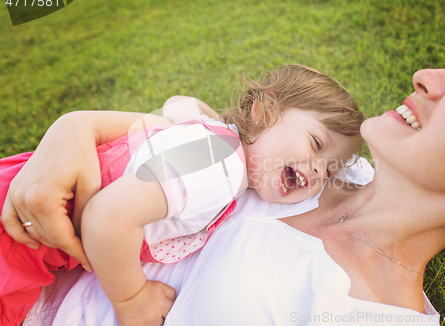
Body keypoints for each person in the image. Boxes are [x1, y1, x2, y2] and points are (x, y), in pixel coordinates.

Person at [6, 53, 445, 326]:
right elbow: (173, 127)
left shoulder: (367, 315)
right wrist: (73, 129)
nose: (427, 76)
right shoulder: (272, 162)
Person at [0, 64, 365, 326]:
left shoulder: (212, 139)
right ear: (262, 110)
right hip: (21, 243)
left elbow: (179, 103)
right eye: (316, 144)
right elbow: (105, 217)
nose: (319, 170)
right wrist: (132, 299)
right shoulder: (221, 168)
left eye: (330, 170)